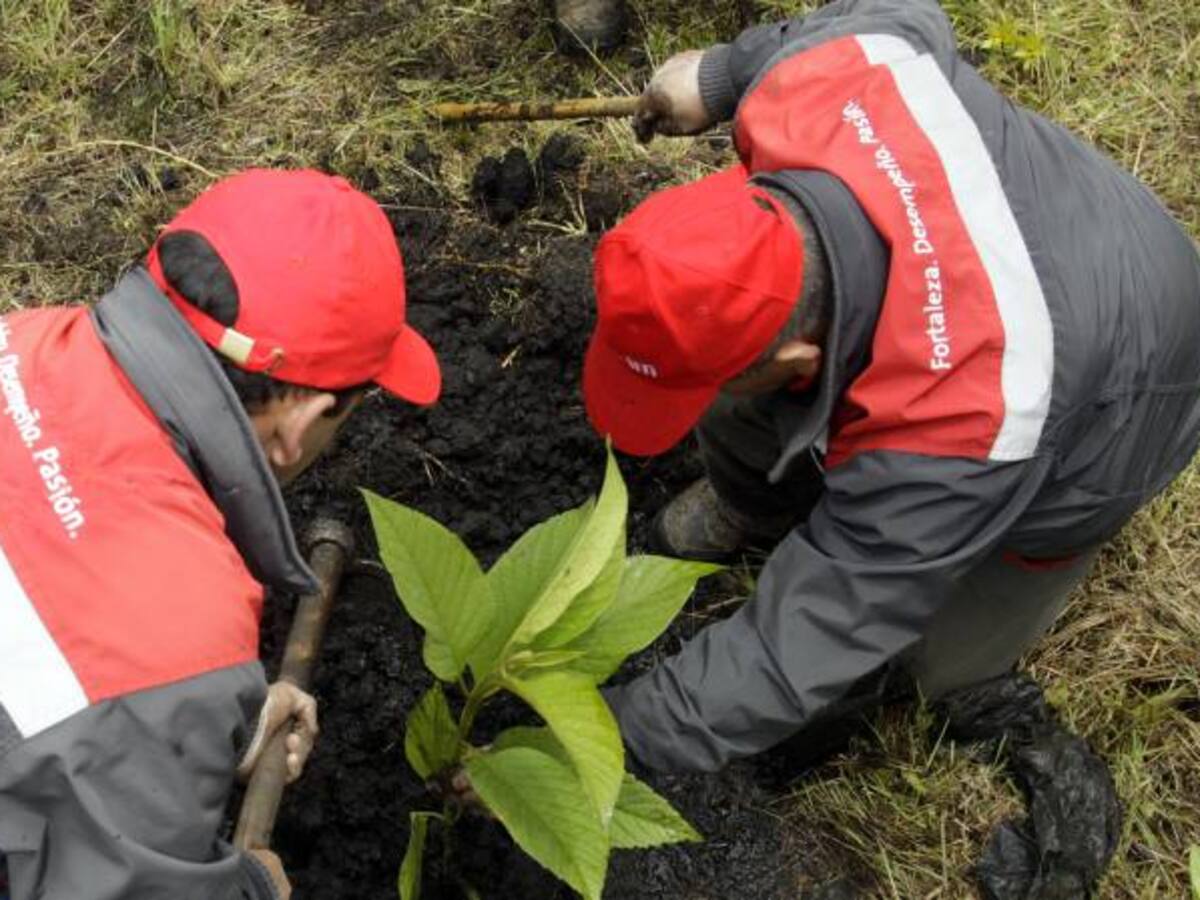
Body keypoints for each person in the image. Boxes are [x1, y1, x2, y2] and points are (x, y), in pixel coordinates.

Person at [585, 0, 1200, 773]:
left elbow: (811, 633)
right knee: (735, 398)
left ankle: (964, 633)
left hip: (1131, 392)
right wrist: (718, 74)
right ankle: (752, 500)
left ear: (800, 361)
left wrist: (605, 742)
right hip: (1063, 228)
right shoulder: (811, 81)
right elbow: (895, 13)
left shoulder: (966, 423)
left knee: (933, 658)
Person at [0, 169, 440, 899]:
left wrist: (177, 730)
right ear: (301, 423)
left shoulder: (23, 335)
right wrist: (248, 887)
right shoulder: (171, 647)